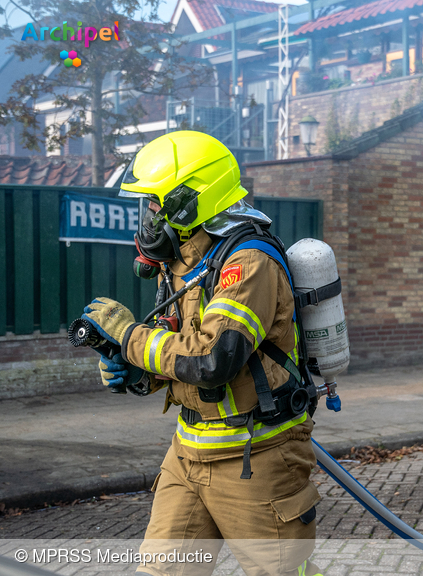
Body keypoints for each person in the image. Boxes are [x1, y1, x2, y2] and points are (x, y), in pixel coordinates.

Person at [82, 131, 323, 576]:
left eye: (154, 206)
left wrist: (130, 336)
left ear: (190, 201)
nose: (149, 218)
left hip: (258, 456)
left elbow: (213, 362)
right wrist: (133, 370)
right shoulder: (183, 263)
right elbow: (173, 346)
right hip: (188, 453)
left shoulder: (248, 262)